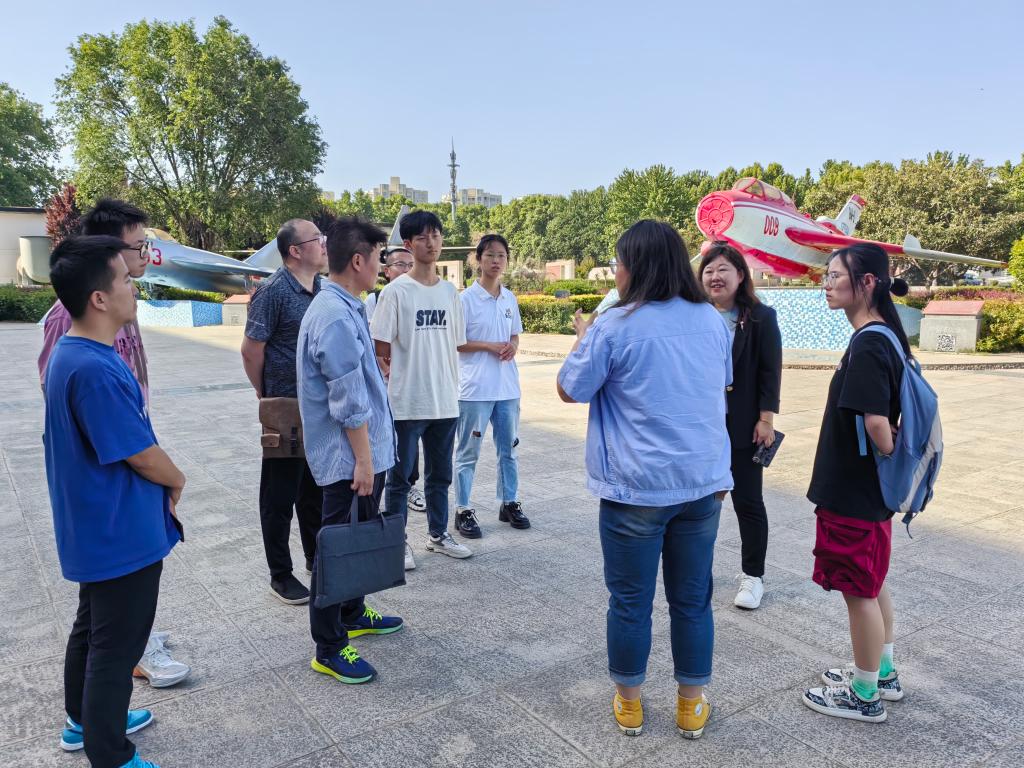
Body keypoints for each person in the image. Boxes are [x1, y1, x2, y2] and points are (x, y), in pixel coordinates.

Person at [557, 220, 732, 740]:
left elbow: (571, 388)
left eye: (618, 263)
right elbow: (718, 384)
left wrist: (583, 340)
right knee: (692, 599)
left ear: (634, 267)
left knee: (631, 602)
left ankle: (630, 704)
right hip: (701, 484)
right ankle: (690, 706)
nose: (616, 272)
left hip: (636, 487)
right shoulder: (712, 320)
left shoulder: (615, 324)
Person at [44, 235, 186, 768]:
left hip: (97, 523)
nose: (134, 287)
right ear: (99, 298)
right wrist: (177, 479)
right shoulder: (94, 368)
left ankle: (83, 721)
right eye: (125, 279)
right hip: (119, 530)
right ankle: (111, 755)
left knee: (93, 628)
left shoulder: (75, 354)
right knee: (116, 645)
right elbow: (140, 454)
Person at [801, 244, 910, 723]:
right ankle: (881, 672)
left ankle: (864, 695)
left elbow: (877, 424)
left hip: (853, 491)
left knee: (859, 591)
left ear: (867, 282)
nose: (827, 284)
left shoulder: (868, 343)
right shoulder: (886, 336)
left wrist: (888, 451)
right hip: (871, 492)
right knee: (872, 580)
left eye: (835, 275)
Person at [297, 216, 404, 685]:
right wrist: (363, 460)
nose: (382, 266)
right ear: (358, 261)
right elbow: (346, 400)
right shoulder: (336, 316)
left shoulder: (346, 306)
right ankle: (328, 645)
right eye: (379, 257)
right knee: (336, 548)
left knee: (354, 537)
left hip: (362, 454)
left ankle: (352, 611)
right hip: (348, 459)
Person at [371, 210, 471, 562]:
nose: (432, 243)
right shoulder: (396, 292)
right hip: (406, 404)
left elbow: (456, 343)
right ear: (409, 244)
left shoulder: (450, 293)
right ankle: (396, 542)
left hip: (445, 401)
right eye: (423, 237)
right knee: (400, 480)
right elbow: (380, 348)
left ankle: (438, 535)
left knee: (440, 477)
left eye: (436, 235)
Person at [241, 219, 327, 604]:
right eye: (317, 239)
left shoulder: (322, 289)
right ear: (295, 250)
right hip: (285, 408)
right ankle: (280, 574)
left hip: (317, 407)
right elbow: (251, 349)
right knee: (279, 495)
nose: (324, 244)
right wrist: (266, 394)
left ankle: (315, 557)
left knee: (314, 489)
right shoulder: (273, 291)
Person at [699, 242, 782, 610]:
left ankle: (753, 576)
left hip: (745, 427)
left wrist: (766, 419)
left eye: (723, 270)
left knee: (748, 502)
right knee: (702, 503)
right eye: (708, 271)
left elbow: (770, 371)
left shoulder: (761, 317)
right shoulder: (694, 315)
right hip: (702, 428)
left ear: (740, 275)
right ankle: (698, 570)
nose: (715, 277)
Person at [453, 234, 530, 538]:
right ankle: (463, 508)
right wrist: (488, 345)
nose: (496, 261)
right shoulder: (465, 300)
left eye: (501, 256)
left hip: (507, 388)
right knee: (468, 451)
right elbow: (457, 342)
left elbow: (514, 335)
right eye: (490, 255)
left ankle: (509, 501)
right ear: (478, 259)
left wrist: (513, 346)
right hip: (475, 389)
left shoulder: (509, 298)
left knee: (508, 449)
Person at [365, 245, 427, 518]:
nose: (406, 269)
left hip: (412, 385)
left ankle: (409, 486)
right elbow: (374, 342)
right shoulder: (375, 299)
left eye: (410, 264)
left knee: (409, 441)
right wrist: (387, 368)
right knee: (382, 440)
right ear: (386, 271)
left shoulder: (422, 297)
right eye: (400, 264)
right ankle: (379, 491)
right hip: (384, 386)